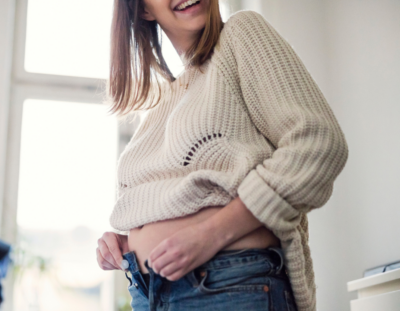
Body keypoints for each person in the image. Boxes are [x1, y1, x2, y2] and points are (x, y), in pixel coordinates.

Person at [96, 0, 349, 310]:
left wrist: (210, 235)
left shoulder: (242, 34)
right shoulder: (169, 100)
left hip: (228, 286)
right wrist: (124, 242)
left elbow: (318, 144)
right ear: (144, 9)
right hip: (148, 294)